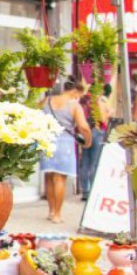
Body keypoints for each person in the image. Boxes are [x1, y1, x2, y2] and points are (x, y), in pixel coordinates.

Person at [40, 78, 92, 224]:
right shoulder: (74, 105)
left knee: (49, 176)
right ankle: (57, 214)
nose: (79, 98)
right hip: (64, 144)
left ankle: (50, 211)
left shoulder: (46, 100)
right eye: (79, 95)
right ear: (74, 91)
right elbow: (84, 126)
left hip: (46, 141)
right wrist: (88, 140)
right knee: (60, 178)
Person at [78, 83, 111, 201]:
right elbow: (102, 118)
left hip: (84, 132)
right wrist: (108, 114)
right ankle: (93, 190)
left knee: (85, 161)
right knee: (94, 162)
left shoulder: (82, 100)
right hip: (96, 132)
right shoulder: (96, 101)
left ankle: (85, 191)